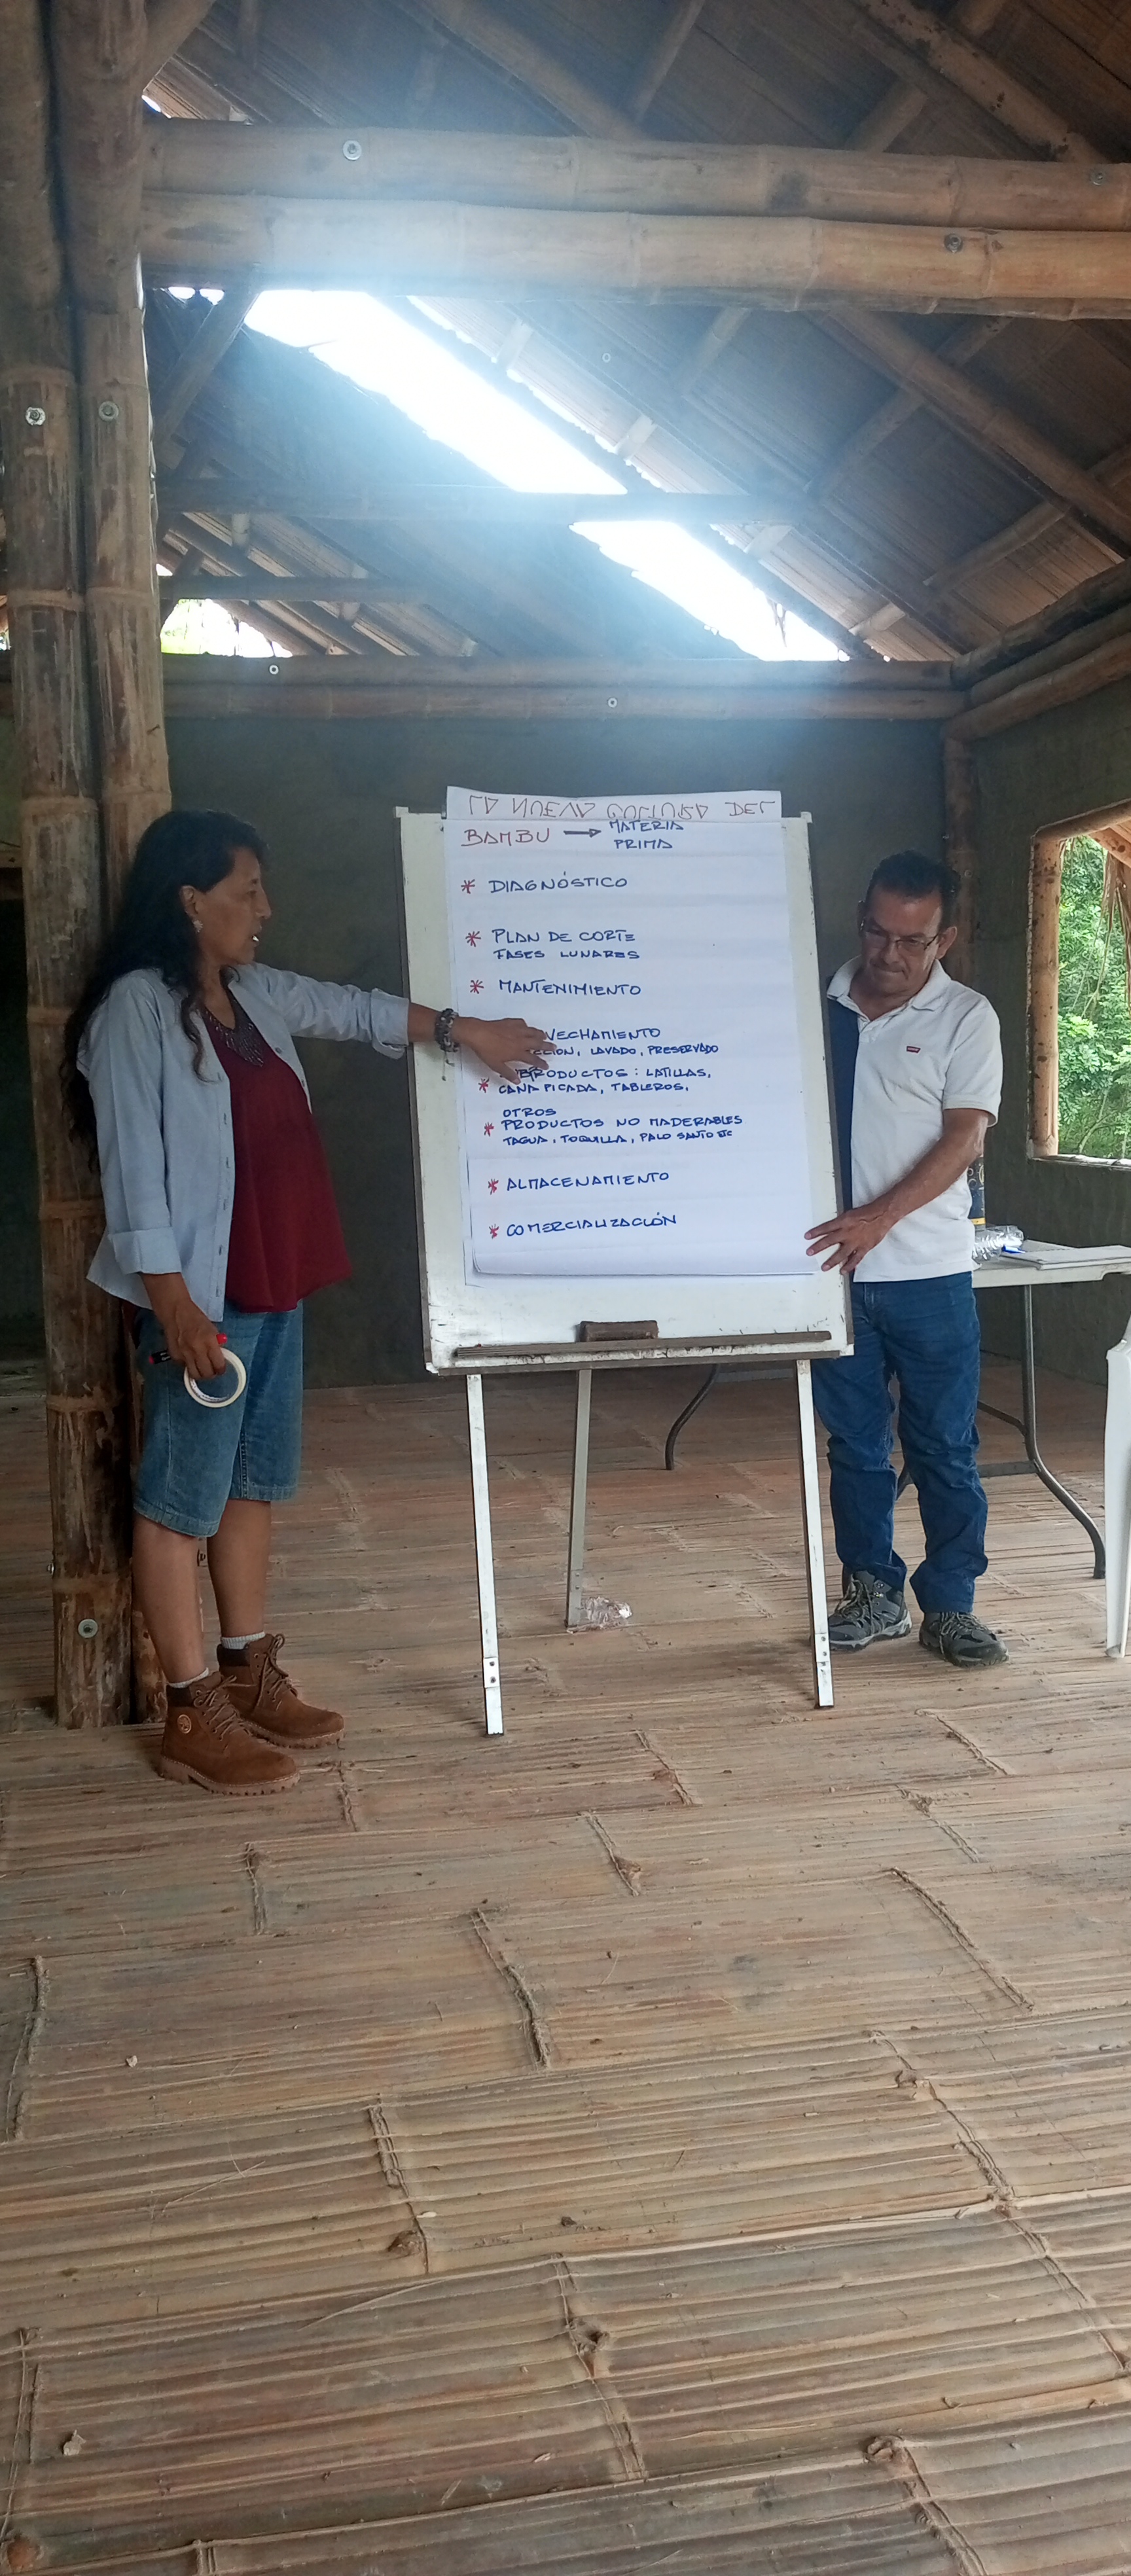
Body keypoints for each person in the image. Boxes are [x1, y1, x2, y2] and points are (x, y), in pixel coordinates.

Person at [64, 809, 550, 1794]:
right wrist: (174, 1305)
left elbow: (356, 1010)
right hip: (202, 1297)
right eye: (247, 890)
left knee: (253, 1485)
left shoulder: (249, 993)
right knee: (179, 1503)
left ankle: (246, 1670)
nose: (265, 908)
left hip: (275, 1279)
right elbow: (133, 1172)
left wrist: (464, 1031)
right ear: (191, 901)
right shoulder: (135, 1012)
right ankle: (189, 1712)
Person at [806, 850, 1006, 1670]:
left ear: (943, 939)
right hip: (834, 1276)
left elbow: (964, 1139)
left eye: (912, 941)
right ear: (862, 918)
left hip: (930, 1277)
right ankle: (872, 1594)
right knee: (855, 1448)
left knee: (944, 1449)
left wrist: (877, 1219)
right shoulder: (816, 1007)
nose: (888, 954)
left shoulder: (967, 1017)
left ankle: (951, 1607)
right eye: (876, 932)